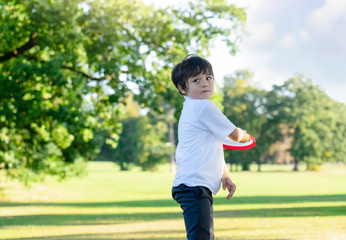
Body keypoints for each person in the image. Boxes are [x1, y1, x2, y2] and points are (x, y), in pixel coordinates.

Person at [171, 54, 251, 240]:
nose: (205, 83)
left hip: (193, 186)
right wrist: (246, 135)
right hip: (194, 186)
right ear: (183, 88)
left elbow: (214, 144)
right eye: (196, 80)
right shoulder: (203, 107)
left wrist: (225, 175)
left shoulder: (191, 108)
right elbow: (235, 136)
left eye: (208, 78)